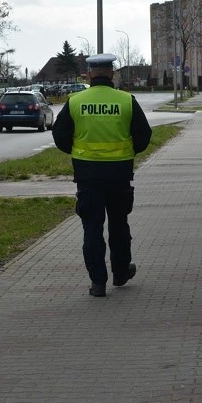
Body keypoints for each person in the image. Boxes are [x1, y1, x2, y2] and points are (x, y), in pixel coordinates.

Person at [52, 53, 152, 297]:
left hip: (87, 175)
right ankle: (120, 273)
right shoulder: (126, 100)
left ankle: (98, 282)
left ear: (88, 75)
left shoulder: (75, 101)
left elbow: (60, 134)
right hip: (119, 173)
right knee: (119, 226)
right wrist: (129, 151)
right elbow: (144, 134)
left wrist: (76, 151)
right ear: (112, 74)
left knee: (92, 228)